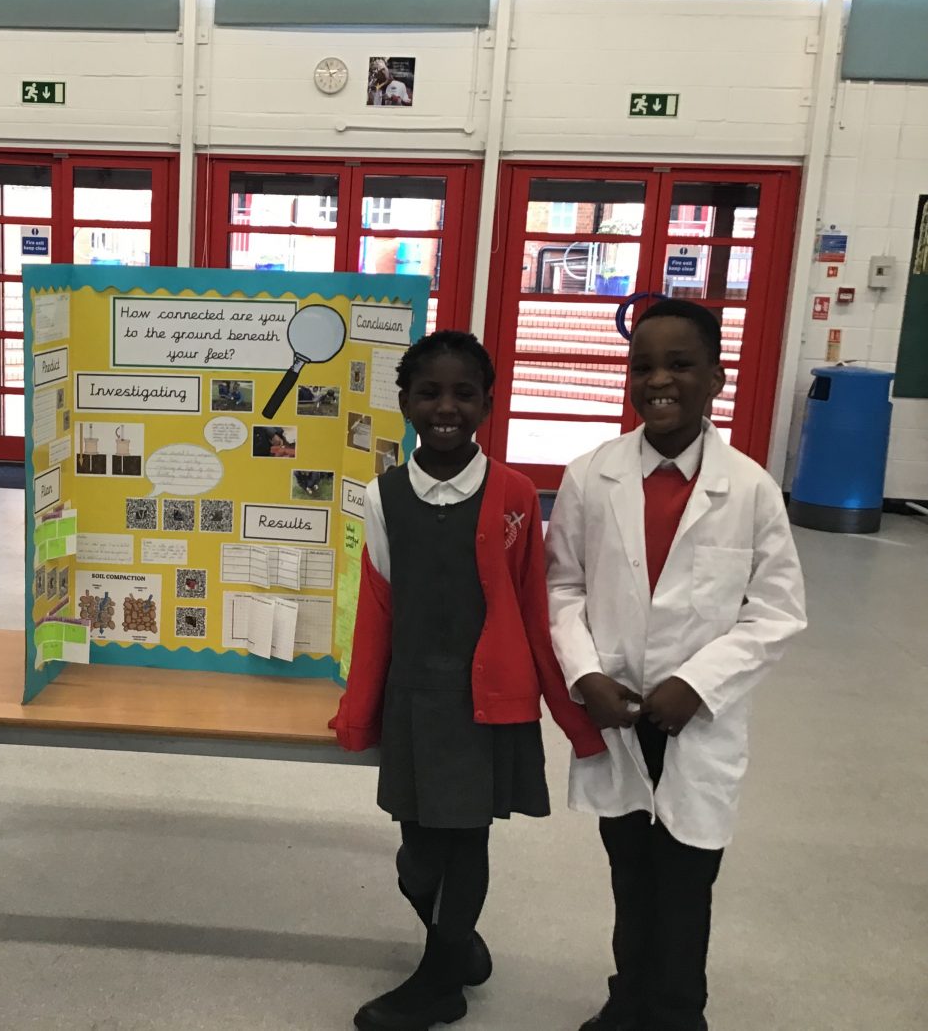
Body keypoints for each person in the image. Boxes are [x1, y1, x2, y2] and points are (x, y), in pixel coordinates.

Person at [331, 331, 606, 1031]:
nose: (446, 407)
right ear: (405, 402)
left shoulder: (515, 494)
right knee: (418, 855)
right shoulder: (383, 495)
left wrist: (574, 714)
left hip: (486, 703)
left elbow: (535, 608)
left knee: (466, 840)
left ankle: (439, 983)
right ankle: (456, 945)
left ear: (487, 403)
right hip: (414, 699)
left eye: (464, 393)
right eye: (429, 393)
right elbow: (377, 610)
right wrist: (360, 709)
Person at [546, 299, 807, 1031]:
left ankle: (678, 1012)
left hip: (699, 721)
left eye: (680, 365)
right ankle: (629, 997)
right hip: (617, 711)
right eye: (643, 367)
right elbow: (561, 587)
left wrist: (697, 682)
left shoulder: (749, 488)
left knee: (689, 876)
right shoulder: (589, 477)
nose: (659, 380)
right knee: (629, 867)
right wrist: (584, 674)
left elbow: (777, 610)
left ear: (716, 378)